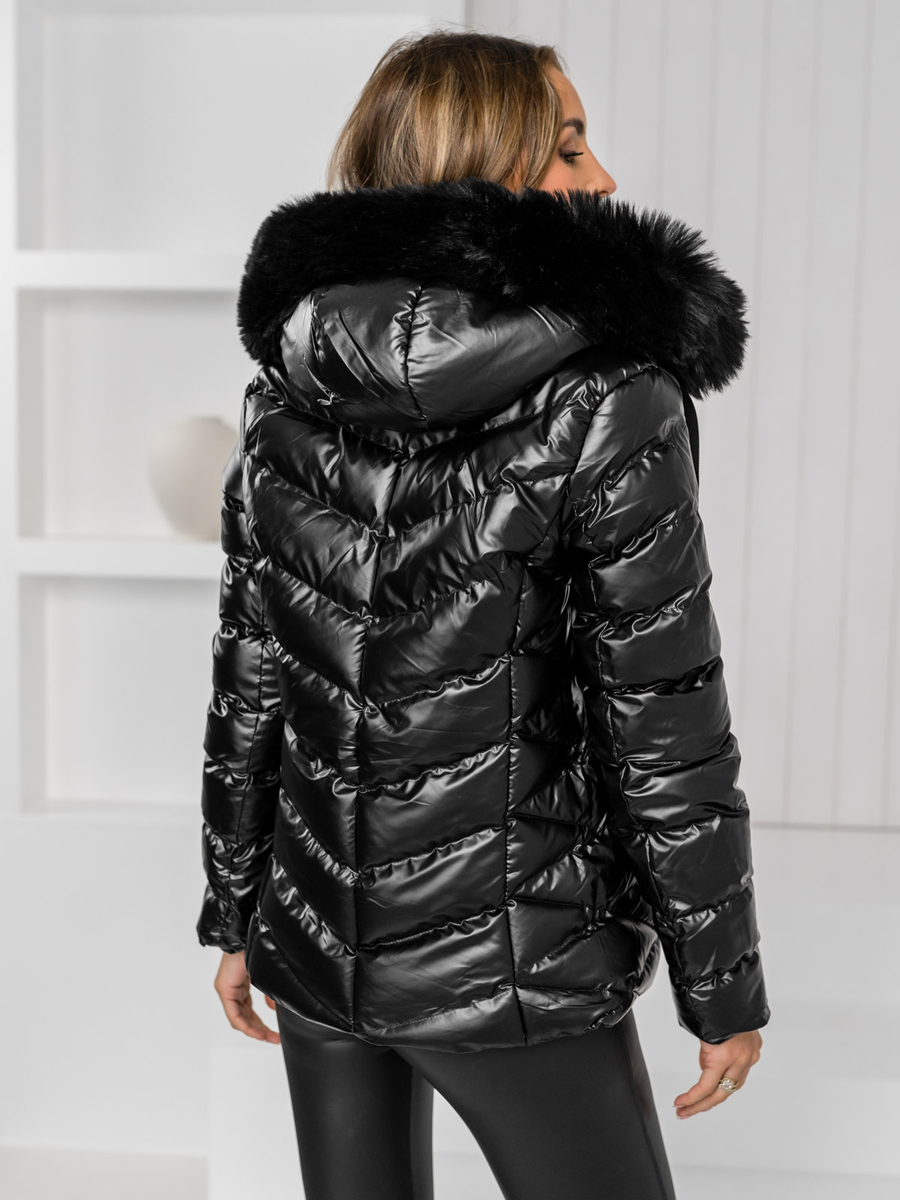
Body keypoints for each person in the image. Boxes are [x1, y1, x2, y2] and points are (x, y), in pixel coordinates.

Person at [195, 29, 769, 1200]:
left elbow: (252, 685)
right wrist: (723, 987)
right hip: (514, 962)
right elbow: (661, 717)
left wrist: (238, 911)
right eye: (568, 147)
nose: (603, 178)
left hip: (318, 944)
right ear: (484, 166)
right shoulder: (613, 396)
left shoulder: (285, 390)